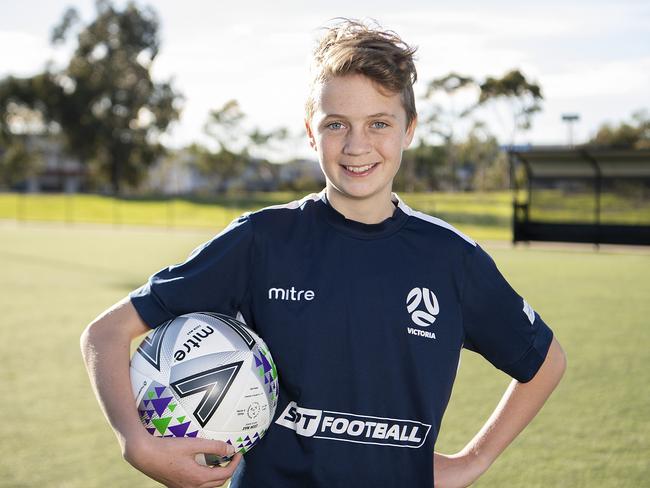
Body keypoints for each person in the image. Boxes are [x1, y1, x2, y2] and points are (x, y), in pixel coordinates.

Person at [81, 19, 567, 488]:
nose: (357, 145)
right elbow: (105, 333)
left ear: (409, 129)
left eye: (379, 123)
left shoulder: (451, 259)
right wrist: (137, 444)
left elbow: (545, 361)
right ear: (311, 132)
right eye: (337, 125)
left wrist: (470, 463)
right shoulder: (263, 238)